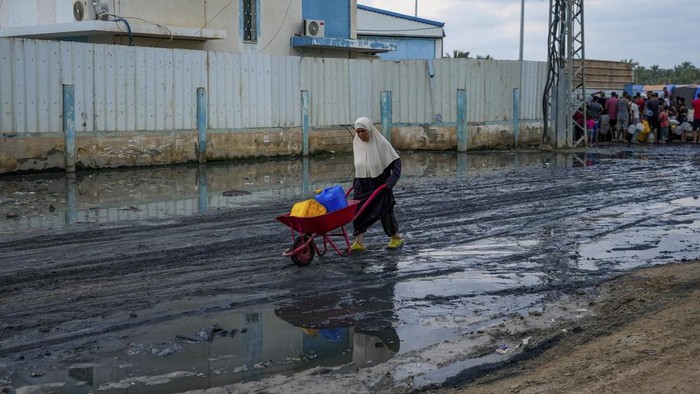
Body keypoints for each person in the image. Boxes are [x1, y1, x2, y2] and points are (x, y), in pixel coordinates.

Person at [350, 117, 404, 251]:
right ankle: (359, 242)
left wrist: (390, 182)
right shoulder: (356, 143)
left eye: (364, 131)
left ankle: (396, 237)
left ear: (370, 129)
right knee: (358, 212)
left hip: (379, 183)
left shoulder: (382, 144)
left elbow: (396, 163)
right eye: (358, 132)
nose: (361, 135)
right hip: (361, 184)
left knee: (385, 210)